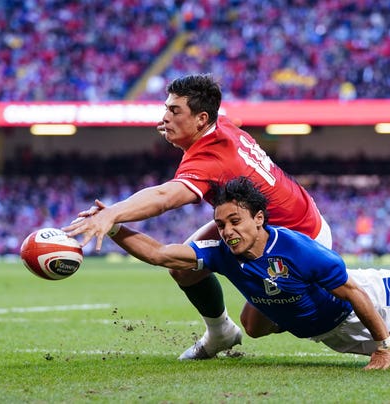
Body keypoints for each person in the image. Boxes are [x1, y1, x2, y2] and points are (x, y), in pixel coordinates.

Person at [81, 175, 390, 370]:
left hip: (367, 298)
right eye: (220, 224)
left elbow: (354, 293)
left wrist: (382, 346)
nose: (227, 231)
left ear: (259, 218)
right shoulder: (222, 251)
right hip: (326, 330)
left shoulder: (299, 250)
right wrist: (117, 225)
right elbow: (163, 254)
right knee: (254, 326)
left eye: (235, 221)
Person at [63, 74, 332, 360]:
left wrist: (113, 213)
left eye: (174, 111)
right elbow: (234, 124)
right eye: (166, 108)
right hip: (269, 218)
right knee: (182, 268)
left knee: (254, 325)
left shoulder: (209, 159)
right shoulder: (222, 125)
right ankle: (220, 334)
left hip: (298, 239)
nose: (165, 117)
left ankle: (318, 296)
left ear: (202, 119)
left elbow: (165, 197)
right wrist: (181, 129)